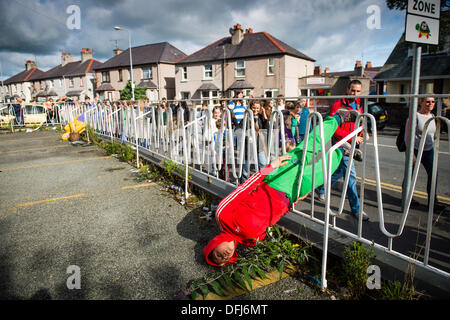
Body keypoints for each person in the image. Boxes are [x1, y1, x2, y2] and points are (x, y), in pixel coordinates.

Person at [204, 109, 359, 266]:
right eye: (224, 260)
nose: (223, 256)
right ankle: (342, 150)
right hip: (289, 197)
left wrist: (270, 167)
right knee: (320, 174)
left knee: (308, 150)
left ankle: (337, 119)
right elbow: (272, 219)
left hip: (275, 183)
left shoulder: (222, 216)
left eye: (217, 255)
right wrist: (292, 203)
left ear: (214, 243)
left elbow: (244, 188)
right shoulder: (250, 241)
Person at [315, 79, 369, 221]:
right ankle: (356, 209)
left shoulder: (358, 104)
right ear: (347, 89)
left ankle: (321, 188)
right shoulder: (338, 104)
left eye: (358, 91)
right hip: (341, 144)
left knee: (339, 171)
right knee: (351, 177)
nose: (355, 93)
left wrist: (363, 132)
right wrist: (351, 137)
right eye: (353, 90)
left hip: (352, 144)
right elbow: (332, 126)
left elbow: (359, 122)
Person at [402, 97, 446, 212]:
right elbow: (407, 137)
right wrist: (411, 153)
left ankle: (433, 202)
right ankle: (407, 199)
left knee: (433, 174)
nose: (430, 104)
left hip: (429, 150)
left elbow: (434, 135)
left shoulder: (433, 117)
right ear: (421, 102)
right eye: (427, 101)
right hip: (415, 149)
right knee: (410, 176)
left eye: (432, 102)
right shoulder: (414, 117)